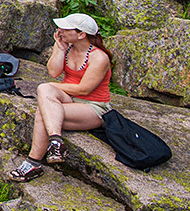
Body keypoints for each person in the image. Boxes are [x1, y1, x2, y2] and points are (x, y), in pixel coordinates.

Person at [7, 13, 112, 183]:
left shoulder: (99, 57)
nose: (60, 31)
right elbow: (53, 72)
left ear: (81, 34)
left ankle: (33, 162)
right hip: (69, 98)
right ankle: (55, 142)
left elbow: (85, 90)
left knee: (43, 108)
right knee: (46, 92)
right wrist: (60, 49)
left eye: (65, 29)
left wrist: (51, 87)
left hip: (93, 107)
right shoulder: (67, 47)